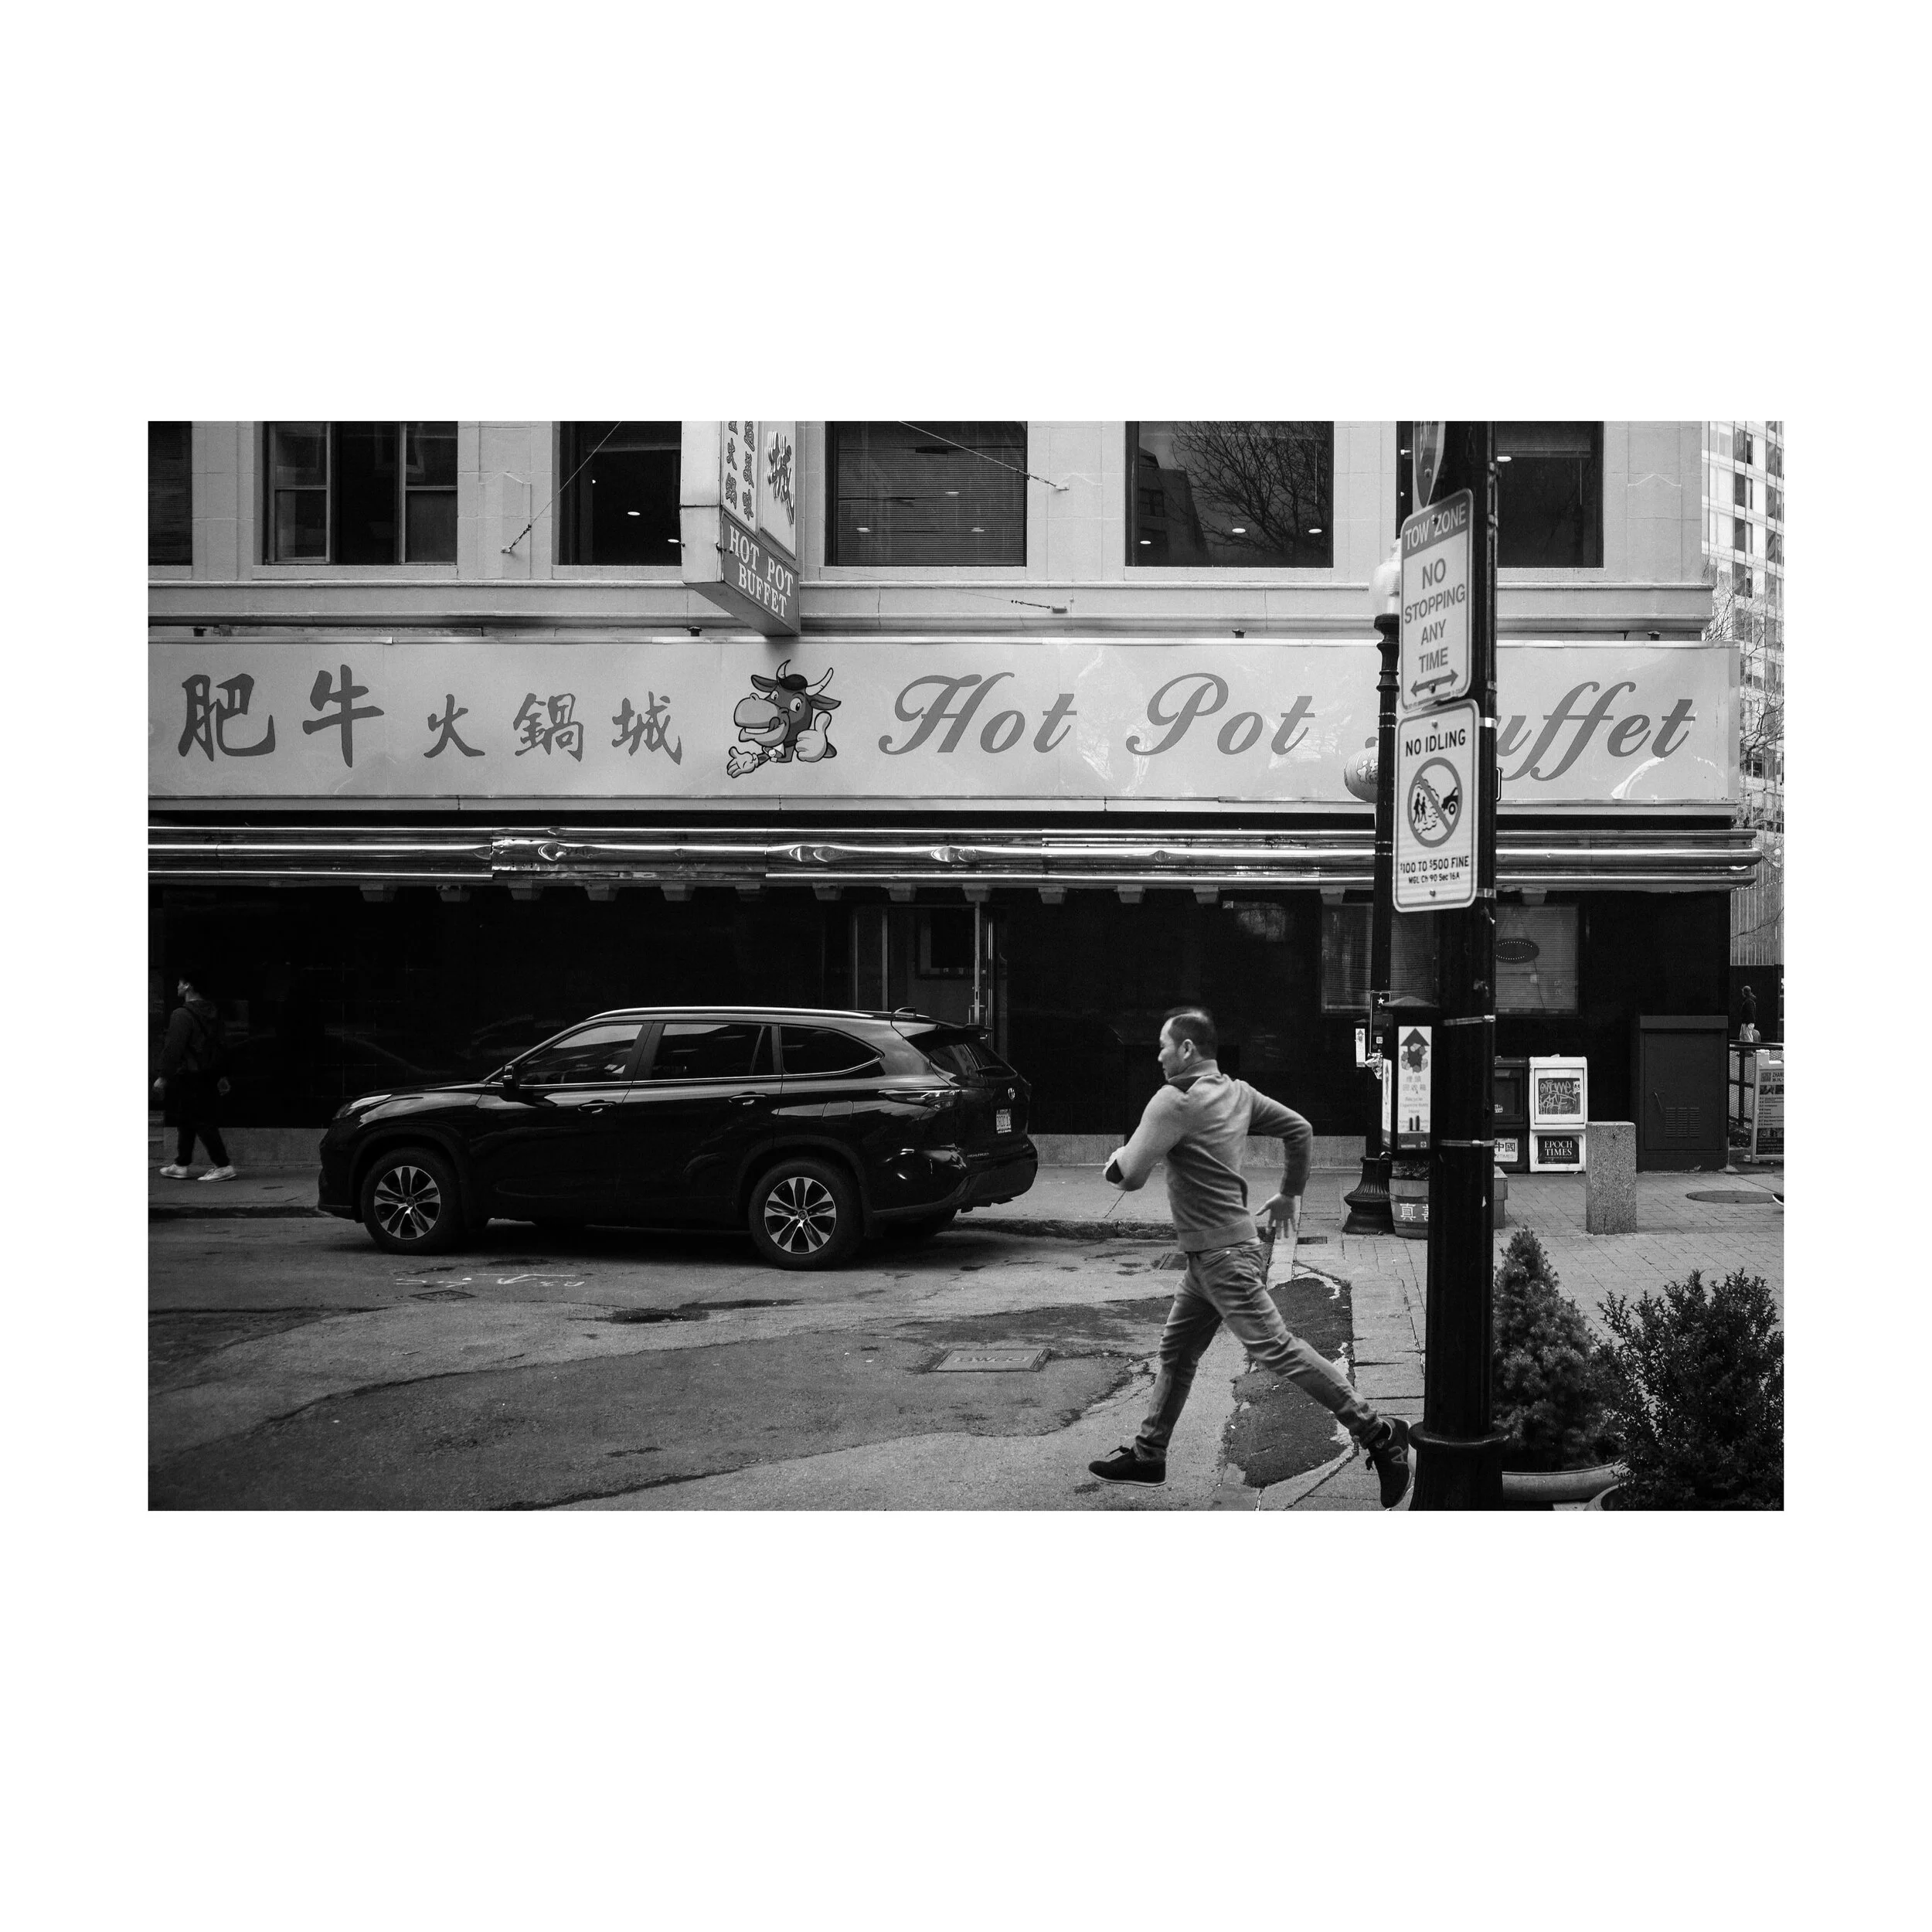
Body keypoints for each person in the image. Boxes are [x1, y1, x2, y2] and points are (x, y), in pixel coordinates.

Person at [1086, 1006, 1411, 1507]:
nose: (1157, 1055)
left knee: (1276, 1348)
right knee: (1176, 1351)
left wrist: (1113, 1162)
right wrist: (1288, 1193)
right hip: (1216, 1255)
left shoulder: (1173, 1100)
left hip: (1219, 1256)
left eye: (1163, 1046)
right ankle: (1150, 1452)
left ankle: (1379, 1433)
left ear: (1188, 1050)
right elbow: (1300, 1129)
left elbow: (1130, 1175)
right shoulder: (1238, 1093)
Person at [155, 974, 236, 1181]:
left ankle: (223, 1165)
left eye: (180, 982)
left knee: (201, 1120)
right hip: (208, 1074)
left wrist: (164, 1076)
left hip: (189, 1074)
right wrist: (222, 1075)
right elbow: (221, 1046)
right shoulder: (213, 1013)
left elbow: (173, 1048)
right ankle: (181, 1163)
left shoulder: (182, 1015)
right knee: (186, 1119)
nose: (177, 985)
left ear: (188, 986)